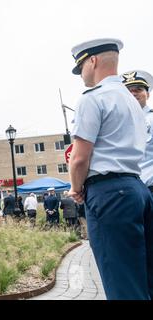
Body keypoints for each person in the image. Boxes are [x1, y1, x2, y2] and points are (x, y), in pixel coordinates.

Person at [68, 38, 153, 300]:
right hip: (137, 188)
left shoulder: (93, 98)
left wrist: (75, 187)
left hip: (109, 193)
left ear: (92, 61)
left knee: (121, 281)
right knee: (143, 276)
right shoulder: (133, 103)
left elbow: (80, 158)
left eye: (80, 66)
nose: (81, 73)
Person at [121, 70, 153, 196]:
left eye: (138, 89)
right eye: (129, 91)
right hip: (128, 192)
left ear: (148, 94)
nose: (133, 93)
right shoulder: (116, 123)